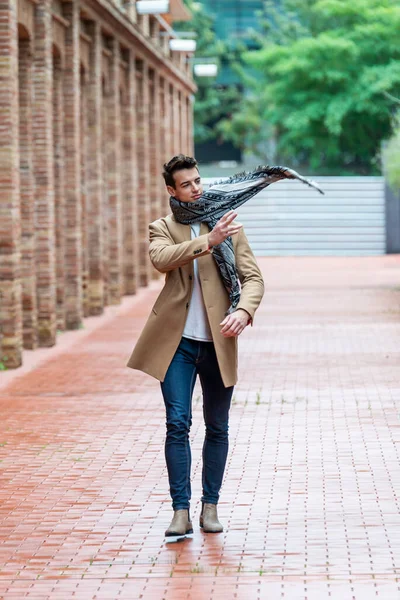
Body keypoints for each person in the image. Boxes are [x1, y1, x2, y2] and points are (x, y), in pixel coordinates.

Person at [127, 155, 323, 539]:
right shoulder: (162, 228)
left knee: (217, 426)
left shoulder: (229, 222)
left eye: (198, 180)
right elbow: (161, 260)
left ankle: (210, 508)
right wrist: (207, 241)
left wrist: (245, 311)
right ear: (172, 190)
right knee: (177, 423)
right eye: (187, 184)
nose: (196, 188)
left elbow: (253, 279)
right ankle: (180, 512)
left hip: (219, 343)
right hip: (176, 344)